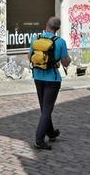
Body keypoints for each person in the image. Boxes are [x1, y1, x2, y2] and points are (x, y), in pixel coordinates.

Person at [29, 16, 71, 150]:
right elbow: (65, 62)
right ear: (57, 29)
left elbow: (29, 57)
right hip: (52, 80)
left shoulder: (36, 39)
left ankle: (51, 132)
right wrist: (61, 60)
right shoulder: (60, 42)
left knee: (44, 108)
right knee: (47, 109)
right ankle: (39, 140)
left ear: (46, 25)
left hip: (37, 77)